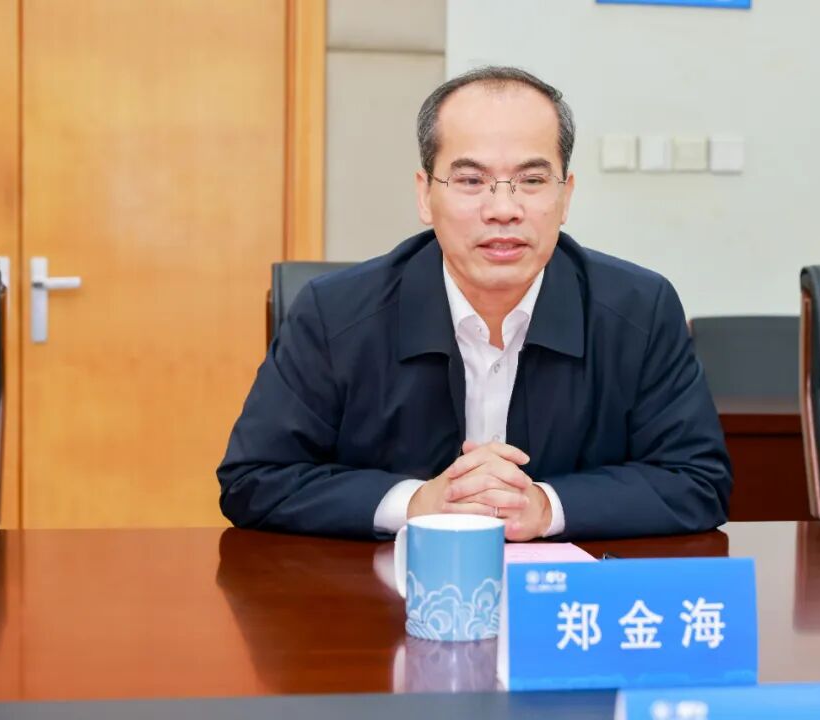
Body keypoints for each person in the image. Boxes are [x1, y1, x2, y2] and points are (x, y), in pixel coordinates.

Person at [217, 66, 731, 542]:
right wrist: (417, 503)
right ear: (425, 195)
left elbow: (697, 480)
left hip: (562, 599)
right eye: (470, 181)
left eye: (532, 181)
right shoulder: (334, 314)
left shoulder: (639, 310)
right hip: (381, 597)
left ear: (566, 196)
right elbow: (254, 478)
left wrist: (545, 507)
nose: (503, 209)